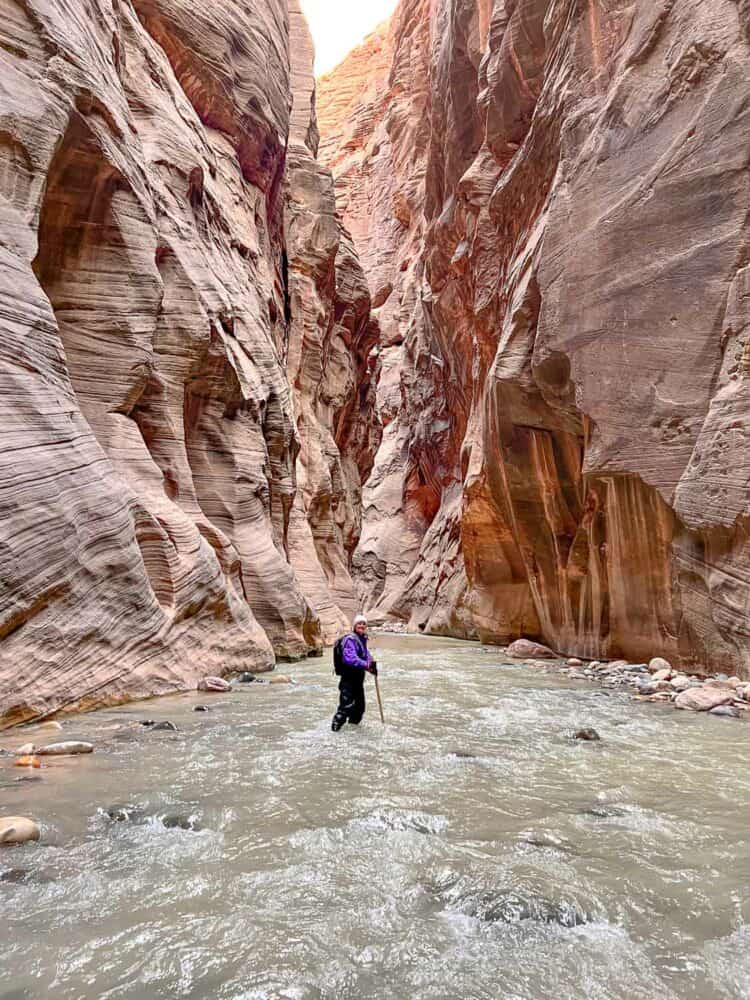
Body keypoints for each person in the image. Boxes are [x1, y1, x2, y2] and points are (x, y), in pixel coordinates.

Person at [331, 614, 378, 731]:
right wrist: (366, 665)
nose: (361, 625)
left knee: (359, 708)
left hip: (358, 679)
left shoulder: (362, 638)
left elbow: (366, 654)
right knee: (345, 707)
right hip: (348, 679)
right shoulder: (350, 639)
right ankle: (334, 732)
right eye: (359, 623)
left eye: (364, 624)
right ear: (355, 626)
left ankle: (352, 731)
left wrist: (371, 665)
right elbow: (350, 658)